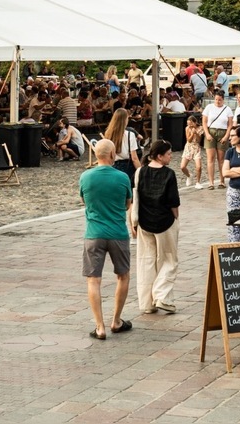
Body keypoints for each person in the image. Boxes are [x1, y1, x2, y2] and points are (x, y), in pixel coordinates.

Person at [80, 139, 134, 340]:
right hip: (118, 232)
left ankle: (99, 326)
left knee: (93, 280)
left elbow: (84, 201)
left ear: (95, 155)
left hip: (94, 233)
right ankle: (117, 320)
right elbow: (128, 204)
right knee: (123, 275)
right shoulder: (122, 177)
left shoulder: (85, 176)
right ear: (112, 154)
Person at [135, 140, 180, 315]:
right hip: (165, 222)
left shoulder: (141, 172)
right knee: (169, 259)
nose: (171, 156)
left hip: (145, 222)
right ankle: (162, 296)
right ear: (160, 156)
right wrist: (177, 218)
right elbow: (173, 202)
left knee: (146, 261)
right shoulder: (169, 174)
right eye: (168, 154)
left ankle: (147, 303)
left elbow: (136, 196)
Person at [202, 90, 233, 190]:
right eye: (216, 99)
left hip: (222, 132)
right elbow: (204, 122)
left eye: (219, 100)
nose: (217, 102)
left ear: (223, 100)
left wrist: (226, 136)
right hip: (211, 131)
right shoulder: (209, 107)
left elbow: (230, 124)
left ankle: (222, 181)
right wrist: (207, 133)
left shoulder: (227, 109)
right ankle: (211, 182)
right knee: (210, 158)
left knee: (221, 159)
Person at [103, 108, 141, 187]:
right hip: (127, 166)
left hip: (113, 165)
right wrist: (140, 171)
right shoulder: (130, 135)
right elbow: (134, 158)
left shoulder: (108, 133)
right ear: (125, 120)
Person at [180, 113, 204, 187]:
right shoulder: (187, 128)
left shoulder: (201, 128)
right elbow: (189, 140)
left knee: (198, 166)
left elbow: (199, 140)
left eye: (191, 124)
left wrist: (196, 133)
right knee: (182, 166)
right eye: (188, 124)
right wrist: (192, 133)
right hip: (188, 147)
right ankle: (189, 176)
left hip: (196, 147)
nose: (189, 125)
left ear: (195, 122)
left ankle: (198, 182)